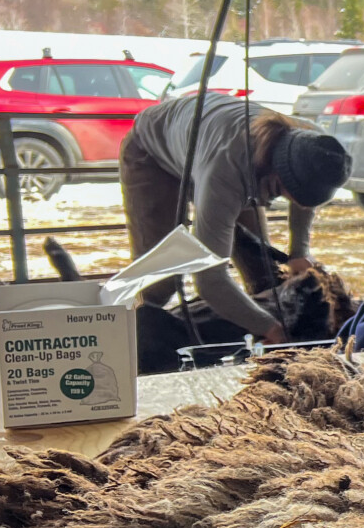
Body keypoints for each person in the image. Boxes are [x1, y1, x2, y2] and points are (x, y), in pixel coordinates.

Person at [120, 91, 351, 344]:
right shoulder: (225, 174)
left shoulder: (314, 144)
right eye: (277, 191)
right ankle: (134, 345)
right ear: (273, 171)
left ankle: (254, 338)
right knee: (161, 280)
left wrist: (299, 251)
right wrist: (269, 328)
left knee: (263, 271)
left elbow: (303, 200)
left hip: (222, 148)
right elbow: (208, 279)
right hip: (153, 150)